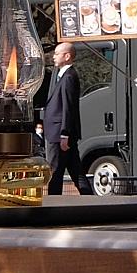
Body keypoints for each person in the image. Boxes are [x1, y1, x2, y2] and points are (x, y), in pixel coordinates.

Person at [42, 41, 92, 195]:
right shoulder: (62, 76)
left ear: (67, 56)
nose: (54, 57)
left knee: (55, 170)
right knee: (76, 170)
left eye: (57, 54)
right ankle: (89, 198)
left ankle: (53, 204)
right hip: (58, 132)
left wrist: (65, 133)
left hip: (60, 134)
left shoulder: (69, 77)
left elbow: (68, 107)